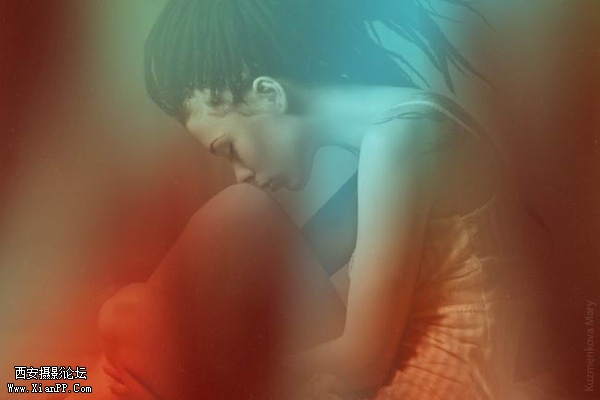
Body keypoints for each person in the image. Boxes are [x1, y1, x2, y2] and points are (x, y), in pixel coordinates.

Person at [72, 1, 559, 399]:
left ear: (269, 94)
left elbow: (363, 359)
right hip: (411, 377)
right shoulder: (406, 132)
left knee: (237, 216)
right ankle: (64, 379)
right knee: (234, 227)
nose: (242, 172)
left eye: (229, 148)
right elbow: (273, 274)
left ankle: (56, 380)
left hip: (435, 388)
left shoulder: (398, 141)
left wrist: (234, 377)